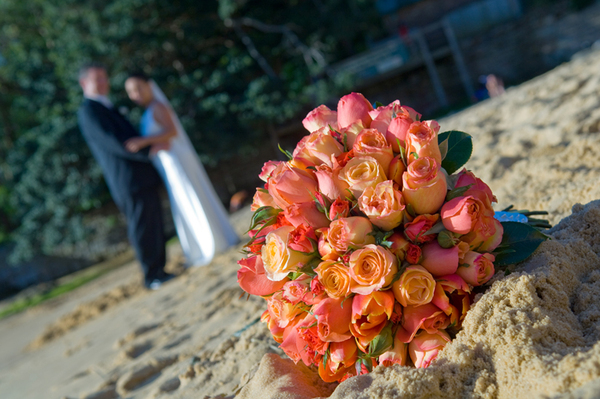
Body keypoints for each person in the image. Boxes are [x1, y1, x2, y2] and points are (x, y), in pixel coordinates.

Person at [124, 72, 239, 266]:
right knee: (183, 200)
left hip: (176, 162)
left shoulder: (158, 107)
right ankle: (201, 245)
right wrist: (152, 145)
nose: (135, 93)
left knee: (189, 196)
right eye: (130, 91)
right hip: (167, 164)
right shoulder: (148, 111)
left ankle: (211, 243)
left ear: (149, 85)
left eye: (138, 87)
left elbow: (171, 131)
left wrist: (143, 141)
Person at [77, 63, 174, 290]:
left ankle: (161, 269)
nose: (103, 82)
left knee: (155, 223)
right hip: (127, 180)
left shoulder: (107, 106)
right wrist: (148, 150)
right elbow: (113, 143)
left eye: (104, 77)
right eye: (97, 79)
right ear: (84, 83)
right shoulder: (88, 111)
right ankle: (152, 276)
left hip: (141, 176)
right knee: (142, 227)